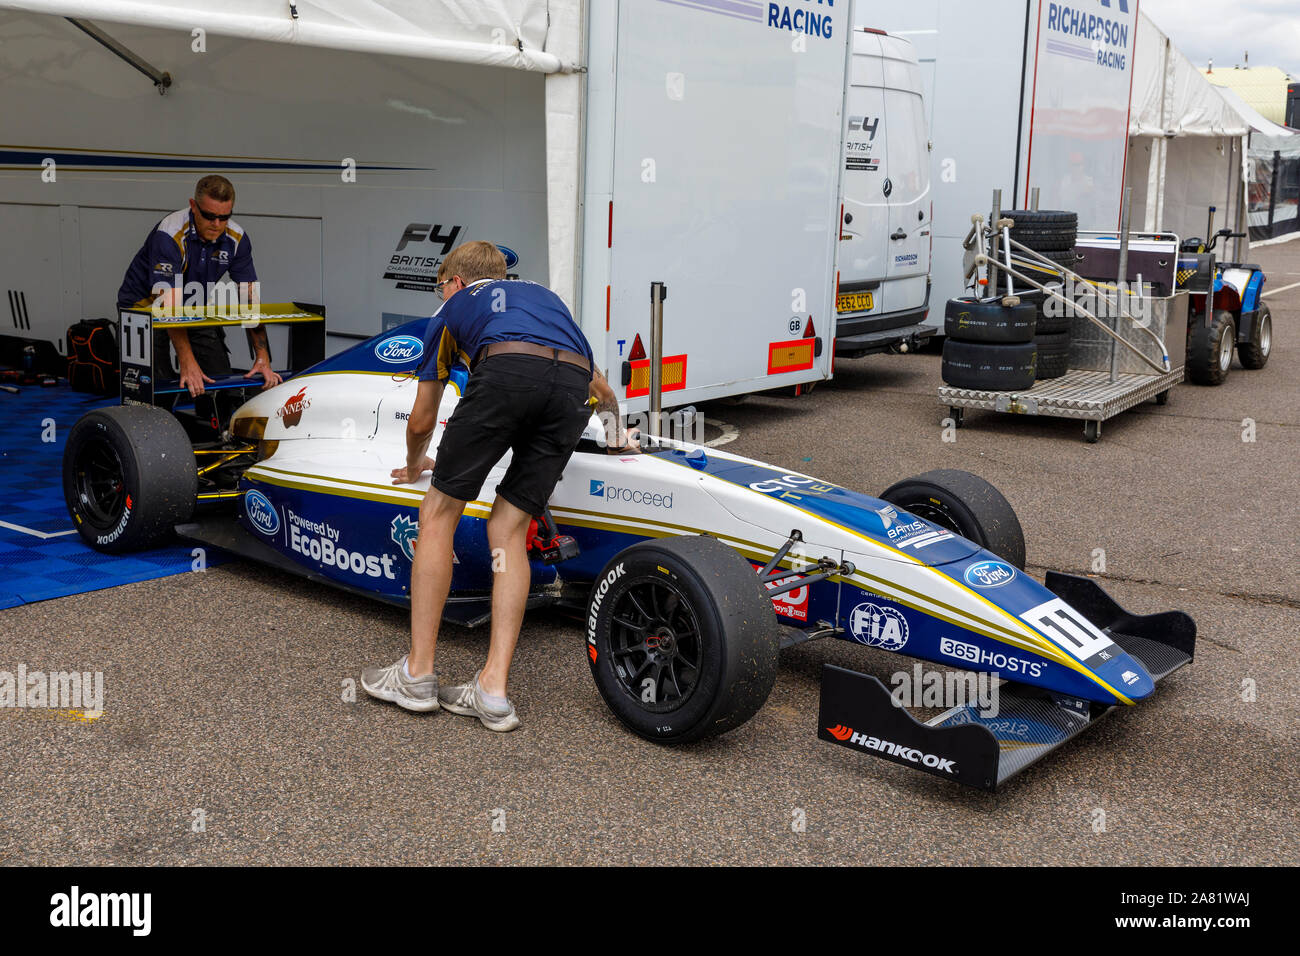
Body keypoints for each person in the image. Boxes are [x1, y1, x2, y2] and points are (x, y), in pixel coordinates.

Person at [361, 241, 635, 731]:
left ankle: (418, 675)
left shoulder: (452, 310)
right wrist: (616, 439)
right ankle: (492, 690)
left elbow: (422, 417)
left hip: (506, 373)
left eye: (441, 284)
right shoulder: (543, 301)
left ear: (457, 282)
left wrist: (415, 462)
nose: (440, 293)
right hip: (570, 387)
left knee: (438, 513)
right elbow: (605, 392)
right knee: (509, 528)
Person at [116, 175, 281, 415]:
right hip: (143, 306)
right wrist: (187, 360)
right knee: (155, 389)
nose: (216, 223)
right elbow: (167, 309)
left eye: (224, 217)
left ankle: (215, 432)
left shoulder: (237, 239)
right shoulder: (170, 234)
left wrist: (263, 356)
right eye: (209, 215)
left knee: (219, 382)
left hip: (194, 303)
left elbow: (250, 301)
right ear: (193, 206)